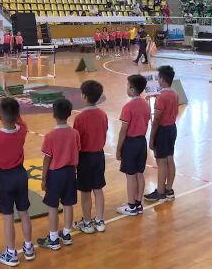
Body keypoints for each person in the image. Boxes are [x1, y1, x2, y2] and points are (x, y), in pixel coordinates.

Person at [0, 98, 35, 266]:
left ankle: (11, 253)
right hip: (21, 175)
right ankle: (29, 248)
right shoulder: (22, 130)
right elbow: (20, 121)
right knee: (24, 213)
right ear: (17, 115)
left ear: (0, 116)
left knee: (8, 217)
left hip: (4, 177)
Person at [37, 99, 80, 250]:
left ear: (54, 114)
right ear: (69, 114)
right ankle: (67, 234)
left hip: (55, 175)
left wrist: (43, 179)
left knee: (53, 206)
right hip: (70, 173)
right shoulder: (75, 133)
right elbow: (76, 154)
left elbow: (47, 159)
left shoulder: (50, 136)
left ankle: (53, 238)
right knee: (68, 204)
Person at [72, 81, 108, 234]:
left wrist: (74, 161)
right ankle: (99, 220)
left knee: (85, 191)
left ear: (84, 96)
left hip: (85, 157)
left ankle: (87, 222)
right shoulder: (103, 114)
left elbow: (76, 141)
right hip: (99, 155)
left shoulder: (80, 118)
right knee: (98, 189)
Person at [116, 74, 151, 216]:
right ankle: (138, 203)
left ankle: (131, 206)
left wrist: (119, 149)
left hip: (130, 143)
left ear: (132, 89)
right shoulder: (146, 105)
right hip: (142, 142)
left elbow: (123, 130)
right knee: (139, 174)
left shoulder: (128, 107)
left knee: (130, 175)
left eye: (127, 85)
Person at [144, 66, 178, 202]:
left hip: (162, 131)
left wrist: (151, 138)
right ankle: (169, 189)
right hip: (172, 129)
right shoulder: (174, 94)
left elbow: (157, 119)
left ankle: (160, 191)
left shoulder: (161, 97)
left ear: (162, 79)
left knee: (161, 162)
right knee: (170, 159)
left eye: (158, 77)